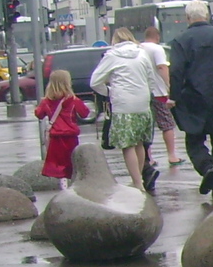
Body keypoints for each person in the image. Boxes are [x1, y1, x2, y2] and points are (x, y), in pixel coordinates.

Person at [168, 0, 213, 198]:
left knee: (194, 139)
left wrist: (173, 96)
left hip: (193, 97)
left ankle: (206, 167)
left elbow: (175, 70)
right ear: (208, 16)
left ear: (187, 18)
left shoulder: (181, 40)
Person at [90, 27, 160, 190]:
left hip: (123, 103)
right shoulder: (142, 53)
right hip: (143, 102)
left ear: (115, 40)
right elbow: (151, 78)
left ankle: (137, 182)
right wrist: (146, 92)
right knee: (140, 143)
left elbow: (95, 81)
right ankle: (141, 177)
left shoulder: (112, 56)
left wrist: (108, 92)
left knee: (127, 144)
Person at [33, 69, 91, 181]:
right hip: (71, 137)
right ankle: (72, 186)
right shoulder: (73, 100)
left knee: (58, 167)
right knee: (71, 165)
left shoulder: (46, 101)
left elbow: (39, 114)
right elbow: (84, 113)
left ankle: (62, 186)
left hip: (55, 138)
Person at [140, 25, 181, 172]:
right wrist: (169, 85)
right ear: (157, 37)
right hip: (158, 92)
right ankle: (172, 155)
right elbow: (162, 67)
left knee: (147, 125)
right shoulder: (157, 49)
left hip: (143, 92)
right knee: (167, 124)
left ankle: (148, 157)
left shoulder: (138, 48)